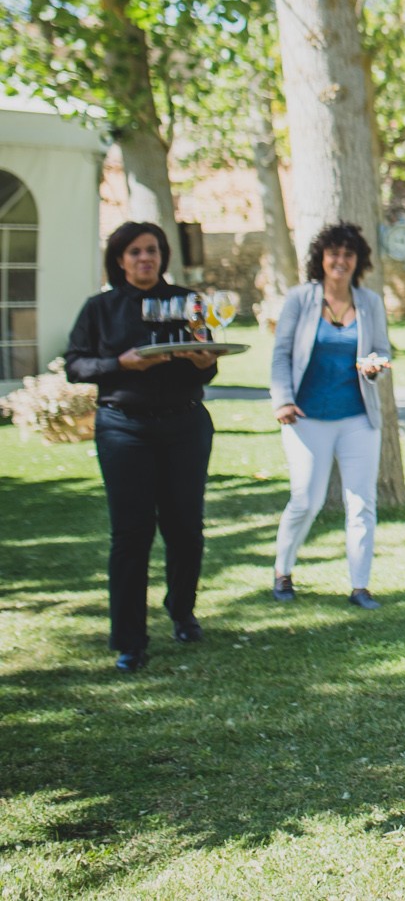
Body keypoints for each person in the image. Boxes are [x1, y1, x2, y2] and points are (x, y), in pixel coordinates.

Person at [64, 222, 221, 674]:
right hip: (123, 429)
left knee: (185, 527)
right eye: (134, 252)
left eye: (151, 250)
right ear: (120, 259)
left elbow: (206, 371)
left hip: (184, 426)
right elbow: (75, 364)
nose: (144, 258)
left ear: (162, 255)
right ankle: (130, 640)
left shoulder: (187, 302)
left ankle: (182, 611)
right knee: (131, 536)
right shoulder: (100, 308)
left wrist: (203, 359)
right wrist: (120, 363)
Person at [269, 221, 393, 610]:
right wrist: (283, 400)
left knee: (362, 502)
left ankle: (360, 586)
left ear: (359, 262)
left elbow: (383, 350)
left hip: (357, 417)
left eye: (348, 255)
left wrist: (375, 366)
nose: (340, 261)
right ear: (321, 259)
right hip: (306, 417)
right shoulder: (300, 300)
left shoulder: (369, 303)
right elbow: (281, 355)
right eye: (333, 254)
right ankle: (283, 572)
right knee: (306, 500)